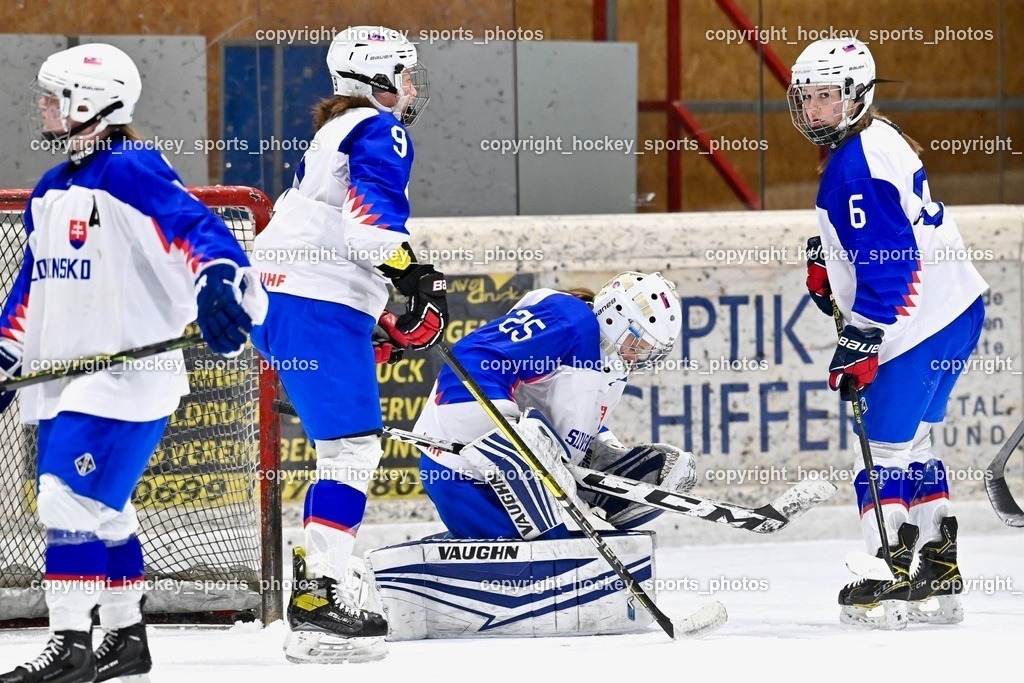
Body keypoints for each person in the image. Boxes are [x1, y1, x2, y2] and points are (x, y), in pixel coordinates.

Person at [0, 43, 266, 683]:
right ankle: (125, 637)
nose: (43, 106)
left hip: (124, 381)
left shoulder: (131, 168)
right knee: (105, 509)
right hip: (66, 383)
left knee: (65, 499)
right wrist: (5, 353)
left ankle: (69, 645)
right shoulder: (53, 186)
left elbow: (199, 230)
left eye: (54, 96)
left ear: (89, 102)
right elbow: (33, 284)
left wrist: (218, 282)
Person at [249, 26, 447, 663]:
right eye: (404, 74)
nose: (411, 87)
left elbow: (332, 235)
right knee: (353, 450)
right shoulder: (379, 127)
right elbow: (369, 233)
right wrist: (420, 280)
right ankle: (320, 595)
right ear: (379, 80)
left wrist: (372, 317)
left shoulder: (335, 128)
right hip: (311, 303)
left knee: (341, 449)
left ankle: (319, 586)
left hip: (284, 300)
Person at [788, 38, 987, 629]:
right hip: (956, 311)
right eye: (807, 97)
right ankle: (937, 573)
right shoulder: (881, 135)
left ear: (857, 95)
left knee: (878, 451)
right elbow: (890, 228)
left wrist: (863, 337)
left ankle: (886, 578)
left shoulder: (854, 167)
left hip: (915, 325)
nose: (815, 109)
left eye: (828, 96)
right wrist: (834, 256)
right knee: (915, 443)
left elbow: (893, 264)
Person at [414, 272, 695, 542]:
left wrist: (609, 457)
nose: (639, 356)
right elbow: (477, 354)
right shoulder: (571, 319)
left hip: (495, 477)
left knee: (555, 550)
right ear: (615, 315)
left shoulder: (611, 370)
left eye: (648, 350)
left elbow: (570, 426)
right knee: (550, 555)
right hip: (459, 466)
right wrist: (507, 434)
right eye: (638, 342)